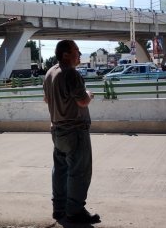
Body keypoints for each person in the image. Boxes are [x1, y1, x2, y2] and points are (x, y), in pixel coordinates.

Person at [43, 40, 100, 224]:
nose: (80, 54)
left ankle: (59, 209)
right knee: (79, 172)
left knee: (60, 170)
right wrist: (89, 94)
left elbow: (46, 99)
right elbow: (82, 101)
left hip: (57, 130)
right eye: (76, 51)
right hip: (75, 131)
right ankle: (75, 210)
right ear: (66, 54)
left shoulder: (50, 73)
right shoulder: (71, 74)